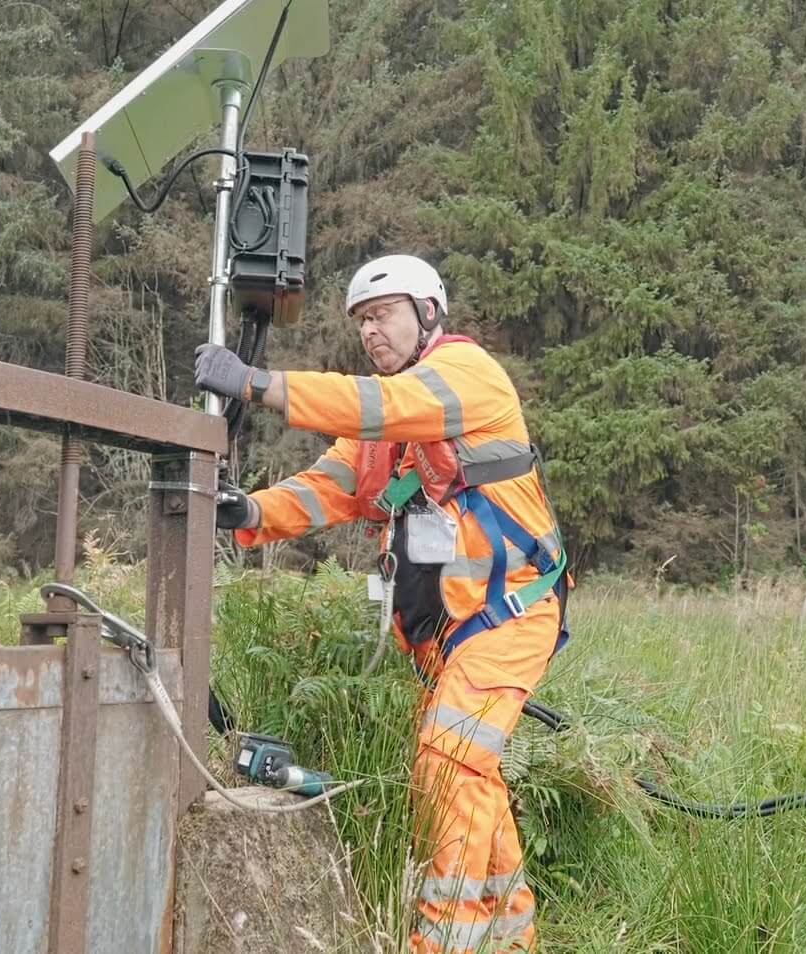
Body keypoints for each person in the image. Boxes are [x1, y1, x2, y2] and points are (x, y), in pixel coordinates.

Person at [193, 254, 567, 954]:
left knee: (449, 760)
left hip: (509, 613)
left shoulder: (465, 375)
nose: (371, 332)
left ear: (428, 312)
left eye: (383, 314)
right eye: (362, 321)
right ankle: (512, 938)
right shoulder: (388, 436)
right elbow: (326, 486)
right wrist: (248, 510)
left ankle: (443, 943)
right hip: (451, 632)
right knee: (467, 774)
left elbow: (378, 405)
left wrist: (257, 384)